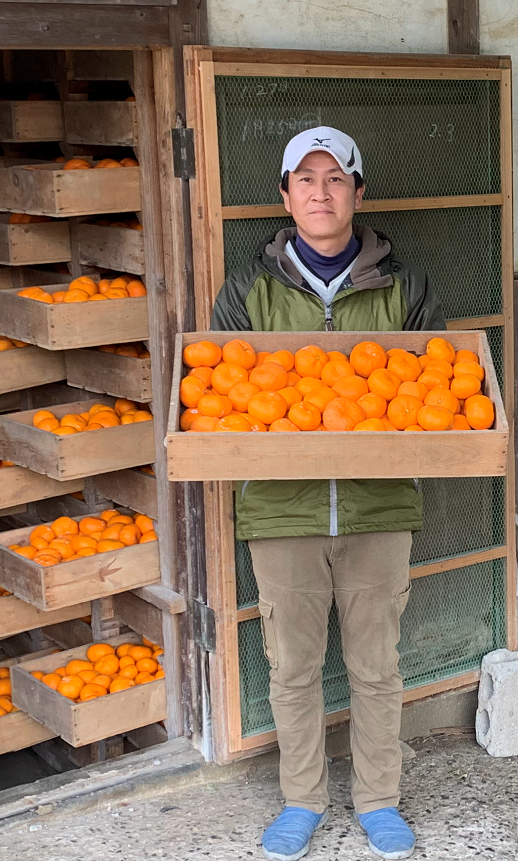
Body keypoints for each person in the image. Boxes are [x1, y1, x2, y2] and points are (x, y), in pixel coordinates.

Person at [210, 127, 445, 861]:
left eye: (335, 178)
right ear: (285, 197)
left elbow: (439, 391)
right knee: (292, 667)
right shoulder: (247, 290)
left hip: (380, 506)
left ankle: (379, 800)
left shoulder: (406, 287)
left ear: (358, 192)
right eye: (305, 179)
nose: (321, 192)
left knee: (377, 666)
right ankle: (302, 799)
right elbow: (218, 404)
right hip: (281, 508)